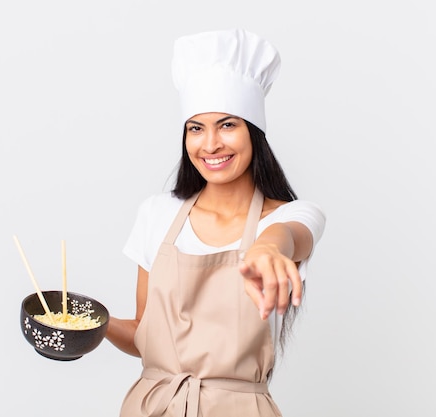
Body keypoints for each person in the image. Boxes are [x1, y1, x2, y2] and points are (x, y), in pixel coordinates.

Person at [105, 28, 326, 417]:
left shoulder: (287, 216)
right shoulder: (157, 215)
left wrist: (269, 248)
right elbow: (145, 333)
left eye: (227, 125)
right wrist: (91, 322)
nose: (210, 145)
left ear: (254, 133)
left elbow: (292, 235)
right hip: (152, 406)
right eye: (196, 128)